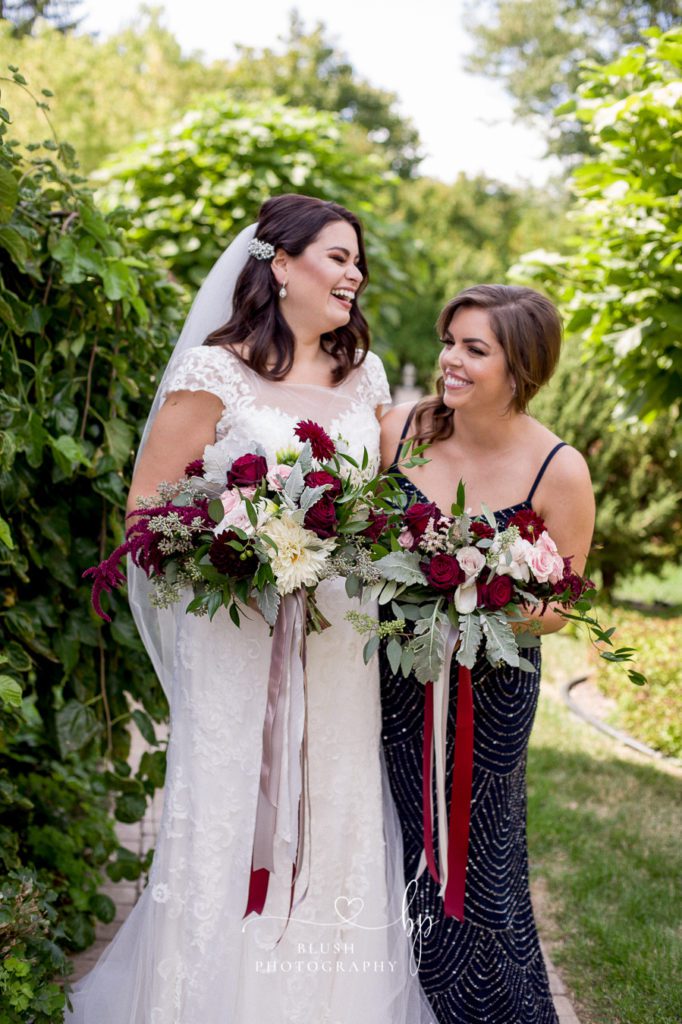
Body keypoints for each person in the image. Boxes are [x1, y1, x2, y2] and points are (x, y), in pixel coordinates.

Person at [67, 195, 436, 1024]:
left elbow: (384, 503)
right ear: (282, 264)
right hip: (237, 640)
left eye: (357, 260)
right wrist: (245, 547)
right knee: (234, 810)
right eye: (338, 256)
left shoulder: (367, 376)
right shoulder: (215, 371)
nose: (355, 273)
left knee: (335, 806)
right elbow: (146, 514)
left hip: (339, 642)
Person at [379, 284, 595, 1024]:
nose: (451, 360)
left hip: (492, 690)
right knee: (389, 834)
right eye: (450, 342)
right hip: (390, 673)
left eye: (475, 349)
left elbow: (561, 605)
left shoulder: (558, 470)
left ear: (521, 367)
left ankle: (489, 1007)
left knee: (479, 861)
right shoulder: (400, 431)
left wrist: (484, 601)